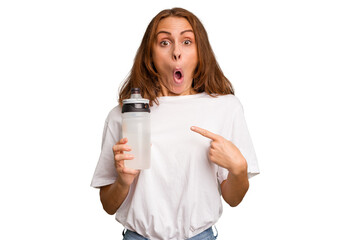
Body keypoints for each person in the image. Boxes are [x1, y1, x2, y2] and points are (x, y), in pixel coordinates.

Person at [91, 7, 260, 240]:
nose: (177, 52)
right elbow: (108, 205)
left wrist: (239, 169)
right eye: (164, 43)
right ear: (150, 55)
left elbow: (233, 198)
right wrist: (123, 181)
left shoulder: (225, 107)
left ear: (201, 52)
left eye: (187, 41)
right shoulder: (123, 114)